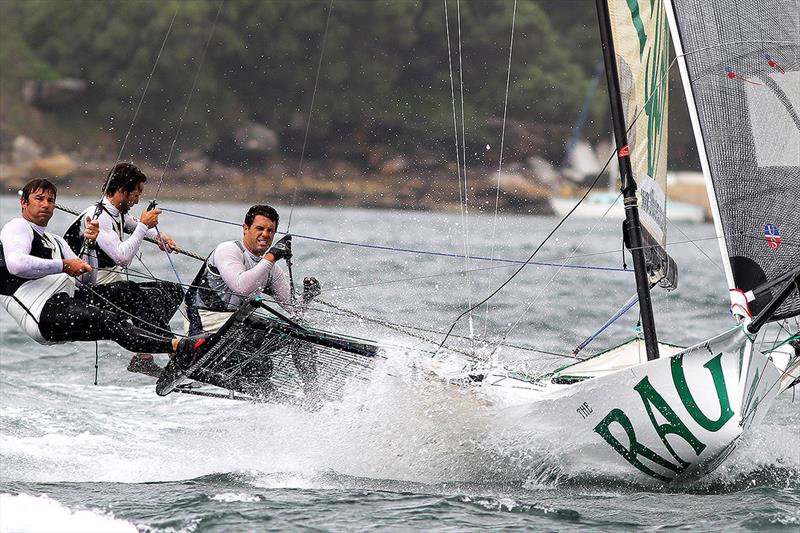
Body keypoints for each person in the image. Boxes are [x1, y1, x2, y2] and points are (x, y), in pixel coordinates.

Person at [0, 178, 209, 368]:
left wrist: (89, 245)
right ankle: (177, 346)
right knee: (108, 320)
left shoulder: (57, 241)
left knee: (126, 291)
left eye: (50, 200)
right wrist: (64, 265)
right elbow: (16, 264)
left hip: (68, 298)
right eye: (39, 199)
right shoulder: (18, 227)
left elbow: (86, 281)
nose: (45, 204)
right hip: (43, 311)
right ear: (24, 203)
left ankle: (172, 356)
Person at [64, 163, 183, 376]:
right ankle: (174, 350)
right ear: (122, 191)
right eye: (136, 194)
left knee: (171, 291)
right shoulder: (97, 215)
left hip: (108, 286)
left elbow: (134, 225)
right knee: (130, 290)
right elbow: (123, 257)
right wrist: (144, 226)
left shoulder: (117, 213)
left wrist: (159, 237)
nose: (138, 200)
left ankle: (143, 355)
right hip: (83, 291)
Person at [185, 204, 320, 335]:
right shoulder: (228, 250)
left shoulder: (271, 268)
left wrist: (307, 296)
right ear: (245, 228)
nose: (265, 234)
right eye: (259, 228)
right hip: (204, 324)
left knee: (288, 333)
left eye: (270, 231)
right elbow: (241, 287)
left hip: (237, 326)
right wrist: (271, 257)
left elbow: (293, 308)